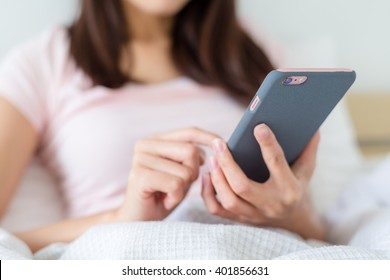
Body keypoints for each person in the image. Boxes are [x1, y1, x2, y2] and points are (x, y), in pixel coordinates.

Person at [0, 0, 324, 252]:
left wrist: (290, 214)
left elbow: (317, 234)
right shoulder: (42, 64)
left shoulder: (252, 52)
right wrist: (119, 219)